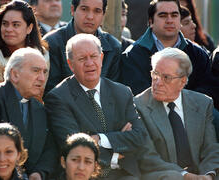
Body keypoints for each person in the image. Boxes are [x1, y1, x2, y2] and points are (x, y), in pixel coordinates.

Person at [45, 33, 185, 180]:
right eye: (82, 59)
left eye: (93, 56)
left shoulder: (122, 92)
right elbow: (74, 149)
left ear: (101, 58)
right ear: (70, 64)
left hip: (127, 173)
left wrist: (99, 138)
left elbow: (139, 136)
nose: (89, 63)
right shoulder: (59, 98)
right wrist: (117, 153)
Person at [0, 47, 57, 180]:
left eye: (44, 72)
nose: (42, 78)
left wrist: (39, 173)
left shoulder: (40, 108)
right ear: (15, 74)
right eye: (36, 71)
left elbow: (49, 148)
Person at [134, 47, 219, 180]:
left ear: (183, 81)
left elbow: (211, 148)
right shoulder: (139, 105)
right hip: (164, 175)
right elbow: (148, 157)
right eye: (155, 74)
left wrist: (208, 175)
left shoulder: (202, 103)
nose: (157, 82)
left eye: (166, 77)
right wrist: (186, 176)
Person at [120, 0, 219, 105]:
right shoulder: (132, 55)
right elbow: (138, 96)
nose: (169, 20)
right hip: (150, 117)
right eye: (163, 16)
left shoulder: (197, 53)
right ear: (151, 22)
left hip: (193, 114)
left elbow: (209, 89)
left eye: (174, 15)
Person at [42, 0, 121, 94]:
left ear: (103, 15)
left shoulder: (113, 46)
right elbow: (50, 93)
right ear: (72, 10)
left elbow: (113, 93)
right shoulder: (52, 42)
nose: (90, 16)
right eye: (84, 9)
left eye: (97, 11)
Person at [0, 0, 49, 102]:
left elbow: (37, 94)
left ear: (29, 28)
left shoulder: (42, 54)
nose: (9, 29)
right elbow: (1, 94)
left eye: (16, 25)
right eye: (5, 24)